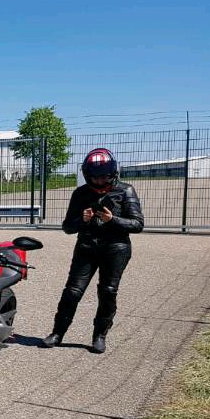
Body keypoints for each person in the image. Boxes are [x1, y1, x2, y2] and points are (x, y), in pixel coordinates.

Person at [42, 148, 144, 353]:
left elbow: (137, 224)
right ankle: (57, 333)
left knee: (107, 291)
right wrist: (82, 220)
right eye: (95, 178)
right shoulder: (80, 193)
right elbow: (67, 227)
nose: (99, 181)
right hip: (87, 246)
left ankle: (99, 336)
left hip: (116, 248)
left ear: (112, 173)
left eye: (104, 177)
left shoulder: (126, 190)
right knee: (72, 291)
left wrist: (112, 219)